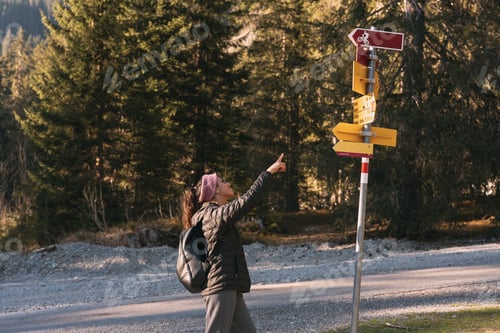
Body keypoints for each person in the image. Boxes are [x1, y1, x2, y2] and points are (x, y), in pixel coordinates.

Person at [182, 153, 286, 333]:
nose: (228, 184)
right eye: (222, 182)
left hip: (229, 287)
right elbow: (246, 201)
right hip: (220, 289)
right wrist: (268, 172)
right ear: (214, 191)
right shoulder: (213, 216)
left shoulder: (214, 215)